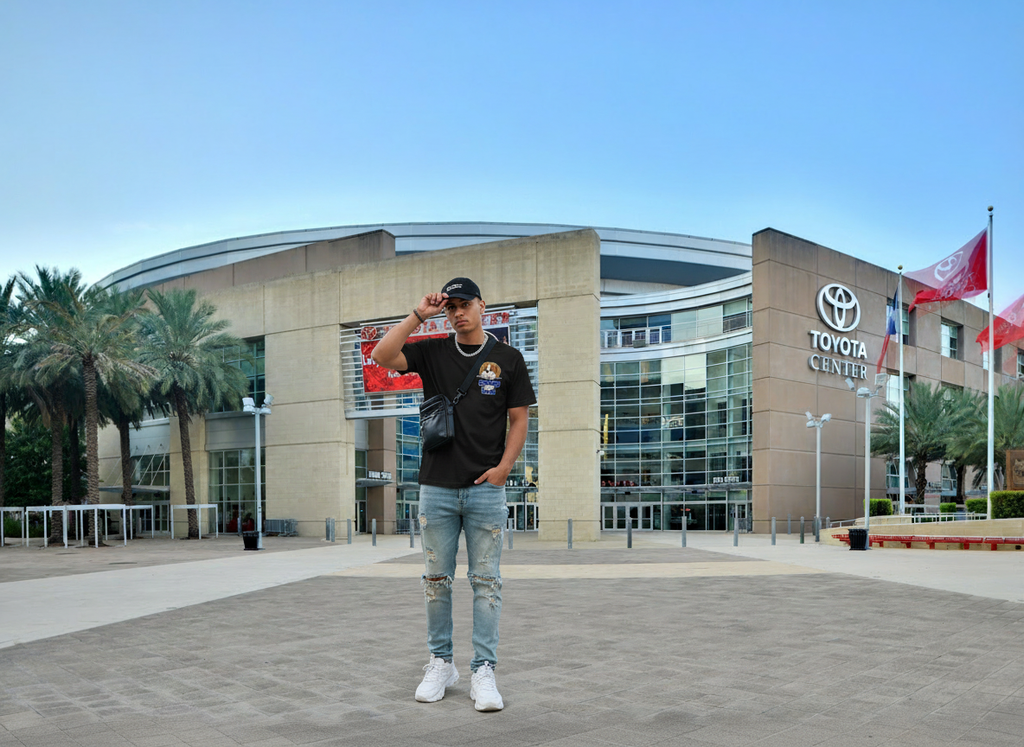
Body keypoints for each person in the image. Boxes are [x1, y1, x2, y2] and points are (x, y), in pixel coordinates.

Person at [371, 277, 535, 711]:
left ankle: (484, 670)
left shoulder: (508, 359)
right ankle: (441, 663)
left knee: (487, 583)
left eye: (465, 304)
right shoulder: (432, 351)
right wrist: (418, 316)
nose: (458, 312)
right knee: (435, 582)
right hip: (436, 488)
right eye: (451, 307)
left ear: (483, 306)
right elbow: (381, 355)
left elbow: (519, 420)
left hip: (485, 490)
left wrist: (504, 469)